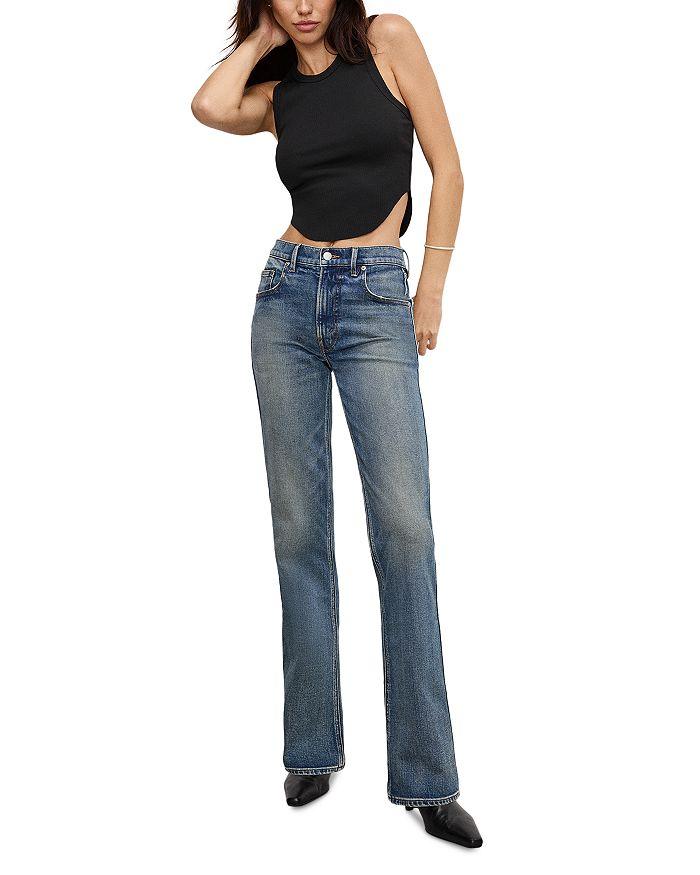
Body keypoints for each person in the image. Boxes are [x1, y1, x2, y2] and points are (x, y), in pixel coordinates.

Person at [191, 1, 483, 849]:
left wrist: (430, 288)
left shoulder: (389, 41)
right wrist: (263, 39)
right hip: (285, 296)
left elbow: (449, 169)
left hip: (378, 294)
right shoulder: (276, 93)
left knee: (405, 531)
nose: (305, 4)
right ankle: (312, 747)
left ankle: (427, 778)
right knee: (298, 531)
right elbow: (209, 105)